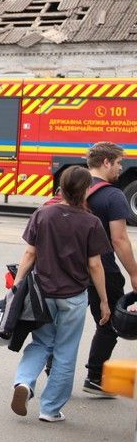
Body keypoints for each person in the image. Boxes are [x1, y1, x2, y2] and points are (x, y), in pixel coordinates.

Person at [9, 166, 110, 422]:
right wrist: (105, 302)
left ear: (61, 187)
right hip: (74, 297)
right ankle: (50, 409)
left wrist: (17, 285)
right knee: (65, 351)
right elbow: (95, 265)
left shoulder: (43, 214)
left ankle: (24, 383)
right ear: (87, 190)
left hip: (43, 295)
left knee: (41, 343)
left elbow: (30, 254)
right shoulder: (91, 222)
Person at [82, 142, 137, 395]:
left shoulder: (73, 189)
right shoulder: (113, 195)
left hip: (69, 268)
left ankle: (54, 373)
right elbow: (119, 239)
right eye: (118, 163)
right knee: (109, 322)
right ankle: (95, 377)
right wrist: (134, 273)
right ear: (105, 162)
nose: (120, 168)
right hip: (102, 269)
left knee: (61, 324)